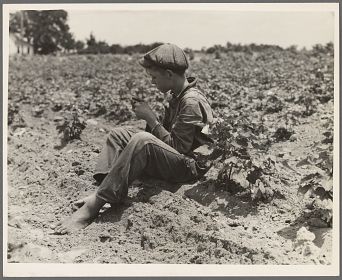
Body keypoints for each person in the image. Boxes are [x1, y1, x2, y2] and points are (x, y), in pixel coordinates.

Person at [52, 43, 213, 234]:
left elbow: (178, 148)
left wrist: (151, 119)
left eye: (154, 77)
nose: (152, 82)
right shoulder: (175, 96)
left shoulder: (191, 101)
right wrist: (151, 121)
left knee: (142, 139)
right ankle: (105, 188)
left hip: (191, 167)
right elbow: (165, 140)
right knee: (118, 134)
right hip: (178, 159)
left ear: (169, 74)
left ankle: (94, 206)